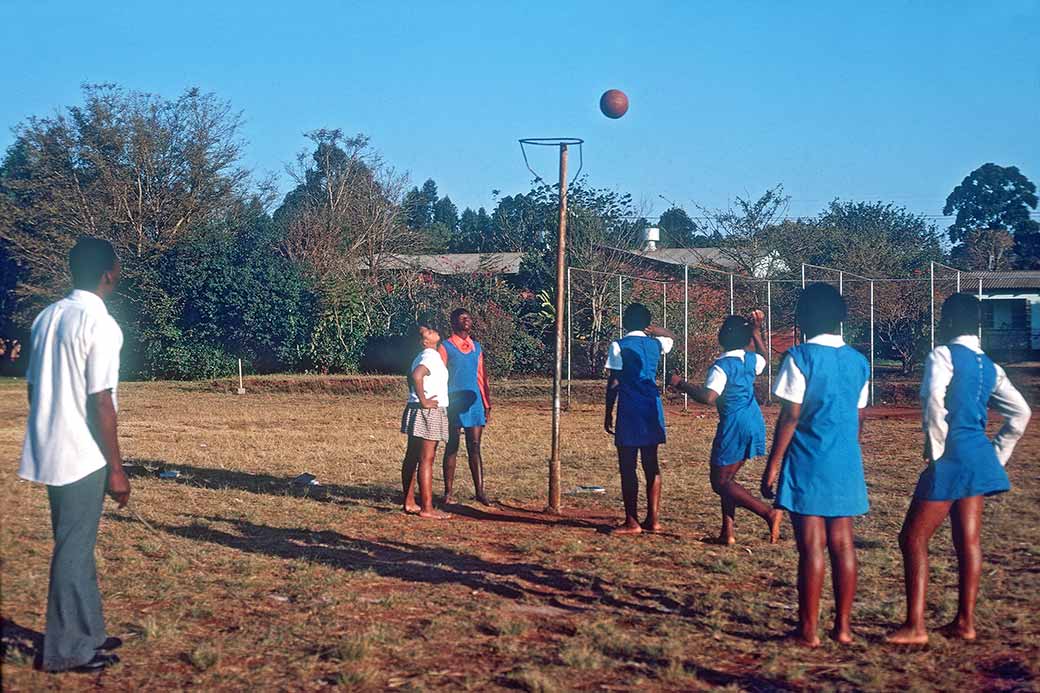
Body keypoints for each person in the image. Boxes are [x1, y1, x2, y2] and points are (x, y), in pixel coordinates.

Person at [887, 294, 1031, 645]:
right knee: (968, 541)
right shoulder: (990, 366)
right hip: (978, 456)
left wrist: (935, 448)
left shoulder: (942, 354)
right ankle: (965, 623)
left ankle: (915, 626)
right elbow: (1021, 414)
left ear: (946, 321)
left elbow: (932, 400)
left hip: (951, 456)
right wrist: (995, 456)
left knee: (912, 538)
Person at [19, 237, 129, 672]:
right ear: (108, 274)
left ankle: (89, 634)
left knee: (75, 544)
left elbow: (33, 388)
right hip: (82, 454)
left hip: (51, 446)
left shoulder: (47, 316)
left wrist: (49, 427)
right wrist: (116, 469)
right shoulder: (100, 323)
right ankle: (67, 651)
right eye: (117, 266)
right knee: (73, 549)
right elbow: (101, 400)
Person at [760, 283, 870, 647]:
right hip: (846, 460)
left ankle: (808, 631)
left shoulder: (799, 357)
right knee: (843, 544)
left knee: (811, 546)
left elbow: (790, 416)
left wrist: (773, 465)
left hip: (808, 458)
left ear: (804, 318)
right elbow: (859, 415)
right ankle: (843, 628)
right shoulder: (859, 361)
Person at [668, 311, 782, 545]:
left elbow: (708, 397)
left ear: (722, 337)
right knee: (728, 480)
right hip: (754, 420)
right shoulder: (750, 360)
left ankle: (768, 513)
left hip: (734, 424)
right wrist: (757, 332)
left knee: (720, 482)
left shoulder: (721, 366)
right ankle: (727, 533)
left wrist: (682, 385)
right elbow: (764, 357)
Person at [604, 303, 677, 535]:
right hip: (652, 406)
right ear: (647, 324)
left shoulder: (618, 345)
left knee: (628, 465)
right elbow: (672, 336)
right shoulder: (656, 343)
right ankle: (653, 519)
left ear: (626, 322)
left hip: (630, 408)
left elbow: (614, 382)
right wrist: (655, 330)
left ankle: (631, 521)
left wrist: (608, 411)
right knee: (651, 463)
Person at [439, 308, 492, 505]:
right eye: (462, 318)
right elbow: (439, 375)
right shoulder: (446, 347)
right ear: (453, 323)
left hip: (474, 402)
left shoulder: (476, 347)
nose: (467, 320)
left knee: (475, 446)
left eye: (468, 317)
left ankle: (480, 492)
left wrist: (486, 402)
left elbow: (481, 377)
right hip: (453, 402)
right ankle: (448, 492)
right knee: (452, 445)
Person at [400, 322, 452, 520]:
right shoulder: (429, 356)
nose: (434, 331)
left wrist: (417, 398)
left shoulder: (421, 356)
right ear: (424, 341)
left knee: (413, 456)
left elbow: (411, 376)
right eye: (428, 332)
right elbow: (416, 375)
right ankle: (427, 508)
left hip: (417, 409)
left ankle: (409, 502)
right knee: (426, 459)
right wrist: (424, 400)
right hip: (428, 411)